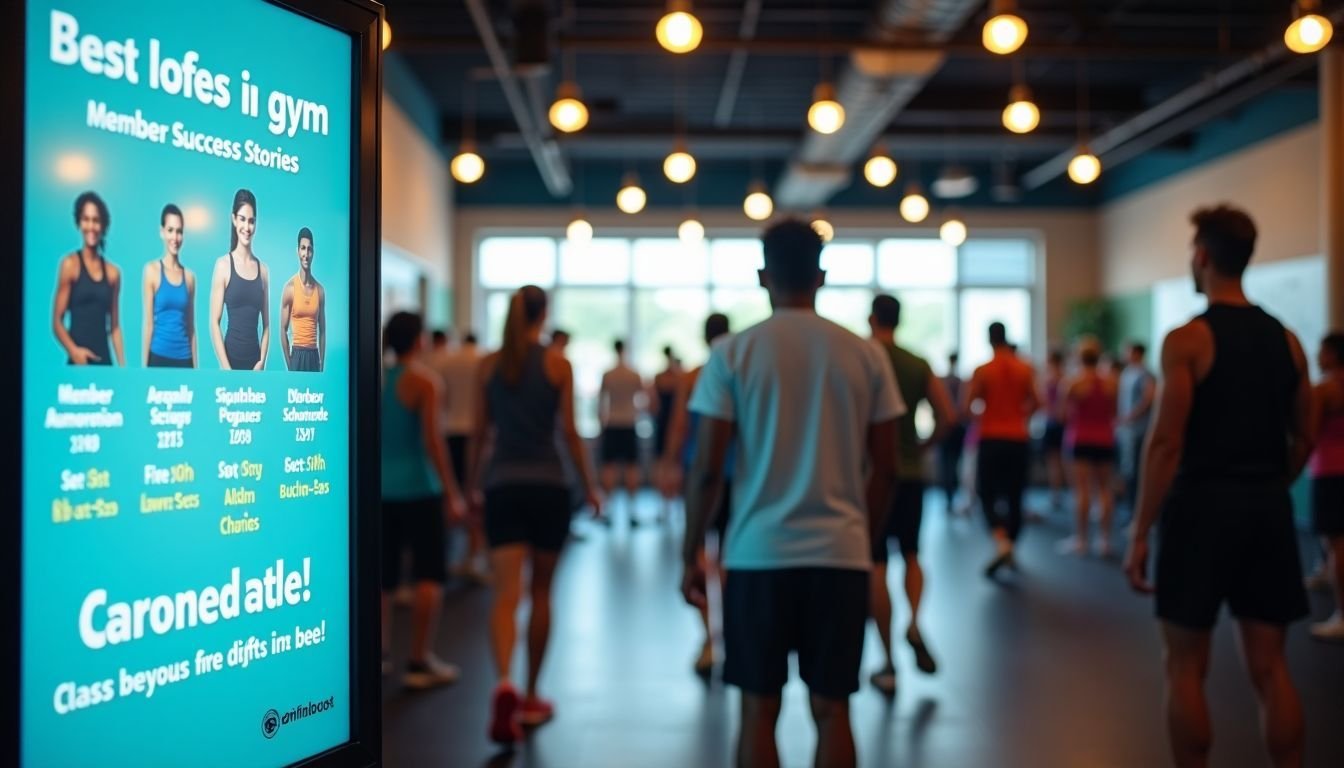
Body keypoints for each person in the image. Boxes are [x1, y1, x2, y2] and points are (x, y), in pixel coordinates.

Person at [681, 219, 903, 768]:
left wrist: (691, 552)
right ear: (821, 276)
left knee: (758, 710)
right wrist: (861, 537)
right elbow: (889, 467)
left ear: (763, 276)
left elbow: (708, 467)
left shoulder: (733, 354)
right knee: (834, 711)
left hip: (757, 556)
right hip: (840, 555)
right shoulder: (864, 354)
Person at [1124, 205, 1312, 768]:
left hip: (1200, 508)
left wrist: (1139, 532)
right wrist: (1272, 485)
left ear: (1202, 256)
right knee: (1271, 667)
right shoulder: (1289, 340)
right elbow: (1303, 435)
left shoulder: (1187, 340)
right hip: (1266, 508)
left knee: (1184, 667)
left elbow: (1165, 444)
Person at [468, 286, 601, 745]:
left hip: (503, 485)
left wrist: (470, 488)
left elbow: (479, 435)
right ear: (543, 315)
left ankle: (503, 681)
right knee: (542, 593)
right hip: (549, 487)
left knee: (506, 595)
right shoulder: (557, 364)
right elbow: (569, 432)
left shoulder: (489, 365)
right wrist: (591, 485)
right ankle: (529, 696)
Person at [867, 295, 953, 695]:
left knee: (877, 564)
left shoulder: (864, 359)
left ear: (872, 318)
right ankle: (915, 622)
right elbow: (948, 415)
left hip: (872, 476)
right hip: (912, 474)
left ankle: (886, 661)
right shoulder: (917, 363)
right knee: (913, 554)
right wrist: (921, 446)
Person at [379, 311, 467, 689]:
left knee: (383, 579)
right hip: (420, 488)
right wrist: (453, 493)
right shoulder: (425, 382)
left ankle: (379, 656)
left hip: (382, 491)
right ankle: (418, 660)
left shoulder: (378, 380)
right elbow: (433, 442)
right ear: (419, 340)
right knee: (429, 574)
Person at [659, 314, 733, 675]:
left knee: (701, 558)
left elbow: (679, 425)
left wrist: (670, 464)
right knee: (732, 560)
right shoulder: (739, 372)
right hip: (737, 477)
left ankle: (708, 640)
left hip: (700, 474)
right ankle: (731, 636)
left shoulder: (693, 376)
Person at [964, 322, 1038, 577]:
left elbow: (969, 405)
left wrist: (986, 416)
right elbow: (1037, 402)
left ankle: (1002, 542)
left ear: (989, 339)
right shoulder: (1025, 368)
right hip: (1018, 437)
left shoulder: (983, 370)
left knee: (987, 493)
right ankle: (1011, 545)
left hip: (991, 438)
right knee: (1016, 495)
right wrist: (1019, 416)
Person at [432, 330, 488, 582]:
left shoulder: (447, 362)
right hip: (476, 435)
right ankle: (473, 556)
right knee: (474, 495)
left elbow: (441, 402)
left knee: (451, 493)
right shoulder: (483, 361)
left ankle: (445, 556)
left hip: (451, 431)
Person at [1058, 337, 1118, 557]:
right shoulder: (1112, 382)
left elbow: (1062, 415)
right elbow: (1114, 412)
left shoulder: (1073, 383)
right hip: (1105, 439)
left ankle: (1082, 540)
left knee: (1082, 491)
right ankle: (1104, 541)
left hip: (1080, 438)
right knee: (1104, 490)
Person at [54, 191, 124, 366]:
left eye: (96, 220)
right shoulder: (70, 265)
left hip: (105, 363)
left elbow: (114, 327)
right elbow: (56, 322)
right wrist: (74, 352)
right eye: (86, 219)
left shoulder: (113, 273)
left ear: (103, 225)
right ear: (79, 222)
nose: (91, 226)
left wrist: (123, 368)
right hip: (77, 364)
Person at [1308, 331, 1344, 640]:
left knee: (1337, 545)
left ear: (1332, 354)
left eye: (1321, 350)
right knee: (1332, 541)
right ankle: (1323, 572)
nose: (1317, 356)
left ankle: (1342, 615)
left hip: (1330, 472)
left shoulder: (1326, 389)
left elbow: (1307, 432)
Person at [210, 189, 270, 370]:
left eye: (251, 221)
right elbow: (214, 321)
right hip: (230, 362)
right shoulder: (223, 265)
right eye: (242, 219)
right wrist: (226, 368)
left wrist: (261, 362)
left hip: (255, 364)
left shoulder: (264, 271)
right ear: (234, 219)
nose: (247, 227)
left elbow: (267, 325)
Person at [141, 204, 196, 367]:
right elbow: (149, 324)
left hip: (184, 359)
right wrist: (144, 369)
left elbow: (191, 329)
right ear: (162, 232)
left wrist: (196, 370)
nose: (175, 237)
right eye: (170, 230)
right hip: (158, 356)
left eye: (179, 231)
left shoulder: (189, 277)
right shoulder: (151, 271)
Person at [599, 339, 645, 524]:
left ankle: (609, 510)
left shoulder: (608, 374)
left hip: (612, 422)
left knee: (609, 466)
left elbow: (600, 402)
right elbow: (644, 400)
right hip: (628, 422)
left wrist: (601, 422)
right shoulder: (633, 375)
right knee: (631, 467)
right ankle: (631, 512)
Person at [1117, 342, 1157, 513]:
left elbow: (1148, 398)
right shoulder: (1127, 373)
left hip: (1139, 429)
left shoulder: (1145, 374)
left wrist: (1131, 416)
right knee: (1128, 469)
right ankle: (1130, 509)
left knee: (1137, 471)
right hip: (1128, 429)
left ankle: (1137, 511)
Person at [280, 228, 325, 372]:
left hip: (314, 354)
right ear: (298, 251)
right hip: (297, 354)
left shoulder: (320, 290)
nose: (306, 254)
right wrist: (290, 365)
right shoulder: (290, 288)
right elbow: (282, 329)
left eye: (309, 249)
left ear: (313, 253)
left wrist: (321, 366)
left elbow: (322, 331)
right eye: (303, 248)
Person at [650, 346, 685, 522]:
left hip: (664, 423)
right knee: (673, 464)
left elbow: (653, 405)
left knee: (664, 465)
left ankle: (666, 506)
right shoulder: (682, 378)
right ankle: (672, 504)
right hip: (673, 423)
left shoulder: (660, 377)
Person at [937, 353, 966, 512]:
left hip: (946, 426)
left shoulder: (943, 381)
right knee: (954, 463)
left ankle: (949, 496)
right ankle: (951, 495)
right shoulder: (960, 382)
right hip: (956, 427)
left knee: (946, 463)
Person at [1041, 349, 1068, 510]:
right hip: (1061, 424)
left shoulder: (1051, 380)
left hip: (1054, 424)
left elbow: (1045, 403)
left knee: (1056, 463)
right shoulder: (1066, 378)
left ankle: (1056, 494)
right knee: (1062, 463)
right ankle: (1059, 494)